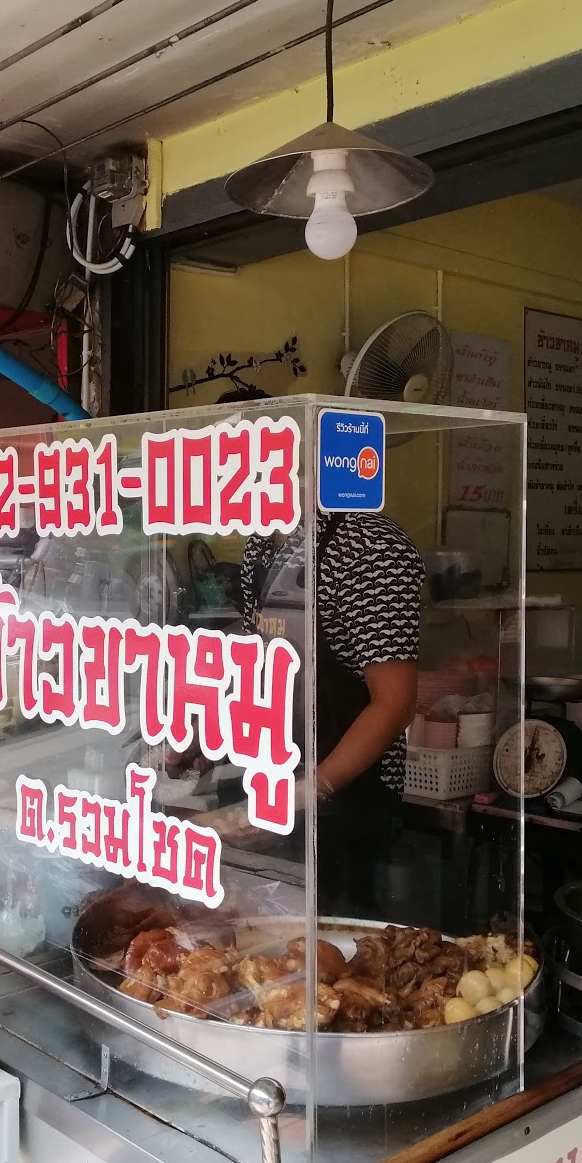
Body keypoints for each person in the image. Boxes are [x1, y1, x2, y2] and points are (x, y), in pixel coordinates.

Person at [195, 390, 423, 915]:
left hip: (345, 802)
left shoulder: (368, 545)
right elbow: (266, 661)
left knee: (335, 964)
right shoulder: (262, 540)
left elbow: (395, 703)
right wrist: (209, 739)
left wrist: (307, 793)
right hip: (272, 782)